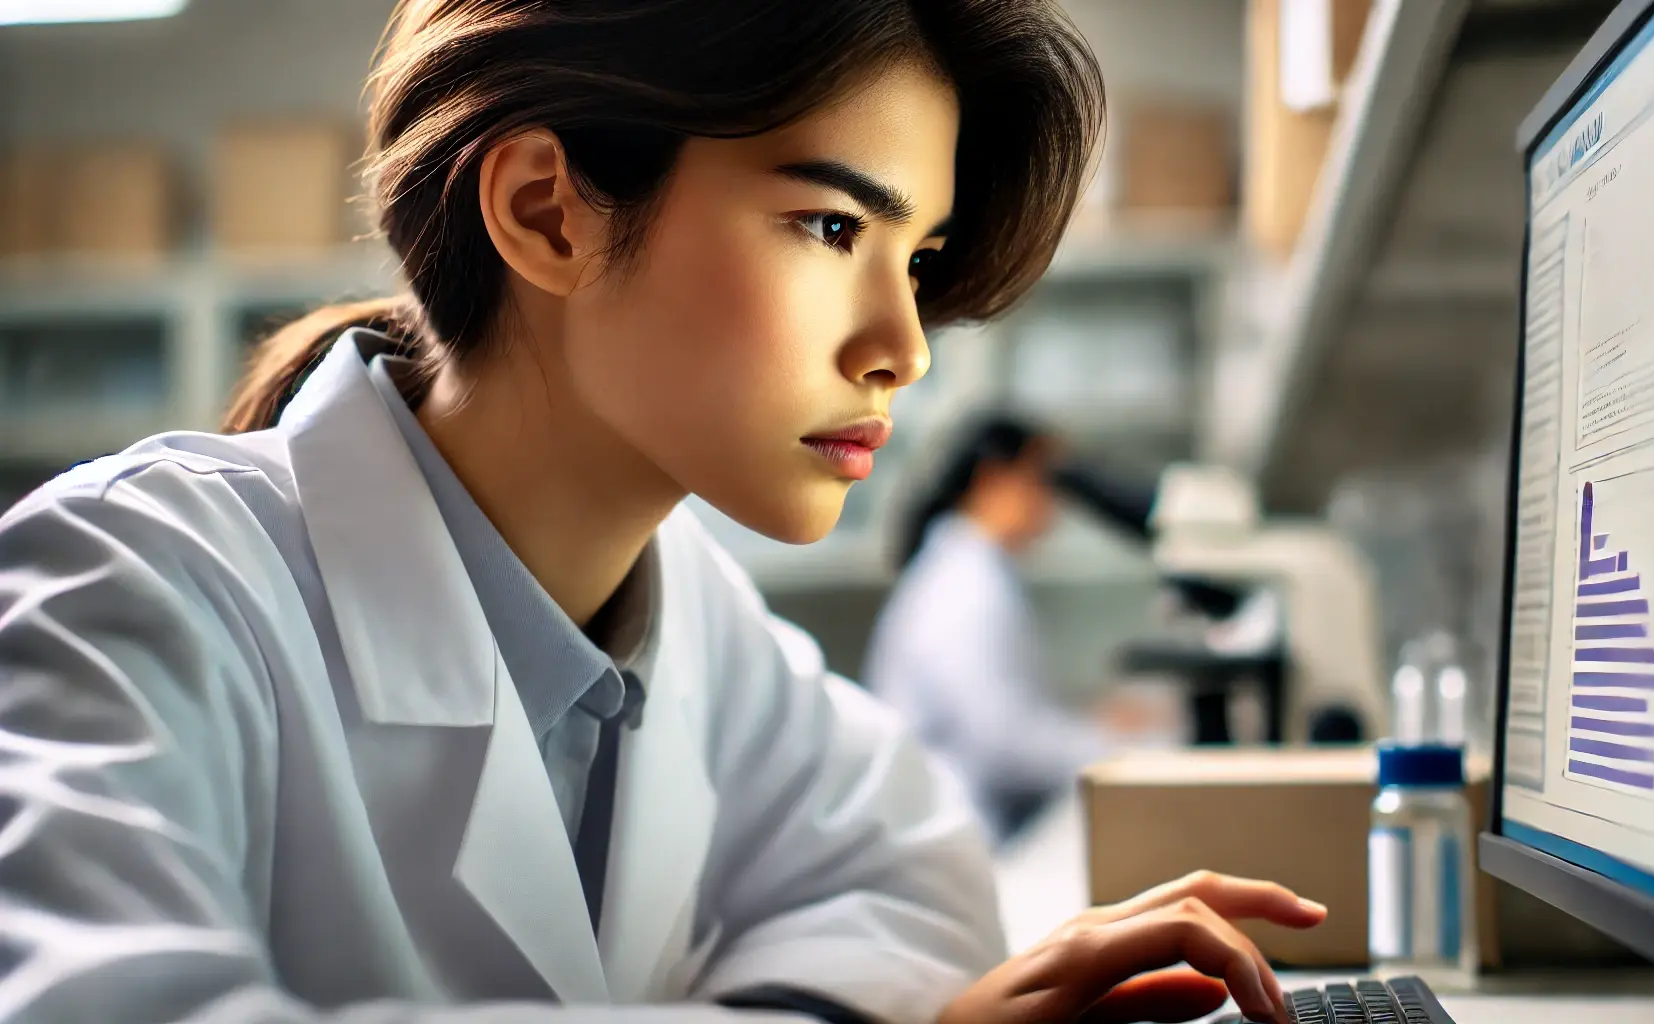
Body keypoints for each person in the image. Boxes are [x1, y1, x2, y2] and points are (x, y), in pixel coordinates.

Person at [0, 3, 1326, 1023]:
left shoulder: (686, 613)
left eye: (914, 261)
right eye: (825, 228)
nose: (903, 347)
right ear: (545, 212)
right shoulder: (133, 582)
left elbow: (915, 871)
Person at [864, 414, 1165, 841]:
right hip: (966, 832)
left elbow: (1002, 714)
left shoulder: (971, 570)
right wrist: (1125, 750)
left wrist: (1092, 721)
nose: (1058, 505)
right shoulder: (965, 585)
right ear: (994, 479)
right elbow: (1005, 743)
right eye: (1050, 481)